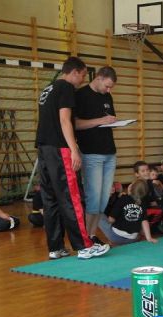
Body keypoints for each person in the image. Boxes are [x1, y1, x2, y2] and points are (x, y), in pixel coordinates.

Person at [35, 56, 110, 260]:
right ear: (75, 72)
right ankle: (84, 246)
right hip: (60, 149)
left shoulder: (48, 88)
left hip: (44, 149)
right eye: (83, 75)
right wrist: (74, 149)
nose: (83, 80)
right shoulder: (66, 87)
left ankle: (56, 247)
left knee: (51, 200)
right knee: (72, 197)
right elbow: (65, 120)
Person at [74, 66, 118, 246]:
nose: (108, 90)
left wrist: (113, 121)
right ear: (99, 78)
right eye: (107, 86)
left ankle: (92, 235)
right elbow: (75, 124)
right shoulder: (81, 95)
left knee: (103, 200)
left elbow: (108, 117)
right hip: (92, 153)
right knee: (93, 199)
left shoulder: (107, 95)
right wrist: (101, 121)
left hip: (109, 152)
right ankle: (85, 238)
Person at [98, 179, 158, 246]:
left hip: (115, 237)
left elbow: (111, 220)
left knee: (97, 213)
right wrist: (149, 238)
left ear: (131, 188)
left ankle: (94, 238)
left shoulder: (123, 198)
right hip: (133, 239)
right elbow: (145, 221)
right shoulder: (143, 203)